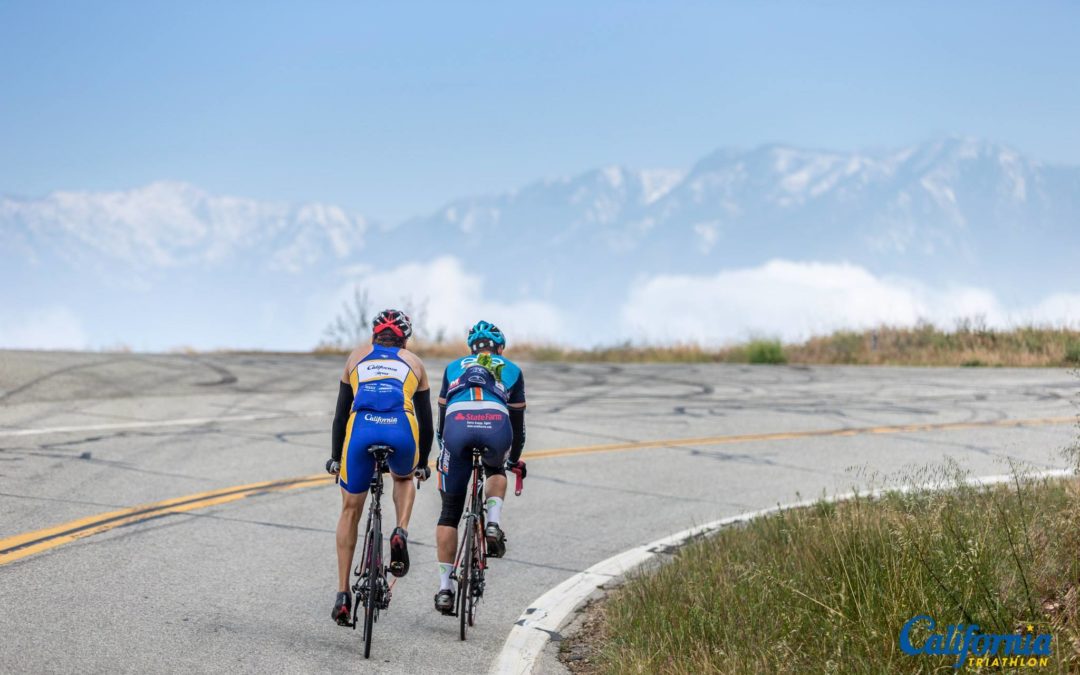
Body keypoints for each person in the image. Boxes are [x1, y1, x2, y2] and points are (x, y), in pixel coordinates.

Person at [325, 309, 434, 626]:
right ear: (404, 339)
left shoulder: (355, 357)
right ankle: (400, 530)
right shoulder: (414, 363)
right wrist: (423, 463)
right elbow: (426, 424)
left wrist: (335, 457)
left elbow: (340, 415)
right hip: (400, 429)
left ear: (375, 335)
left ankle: (343, 594)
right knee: (403, 476)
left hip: (362, 431)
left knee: (350, 509)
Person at [432, 320, 527, 614]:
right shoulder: (512, 369)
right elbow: (518, 427)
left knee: (449, 513)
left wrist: (444, 452)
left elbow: (440, 422)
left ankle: (445, 590)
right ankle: (493, 522)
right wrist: (513, 461)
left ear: (471, 348)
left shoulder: (453, 367)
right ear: (499, 348)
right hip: (495, 424)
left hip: (456, 427)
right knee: (496, 470)